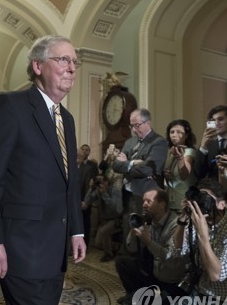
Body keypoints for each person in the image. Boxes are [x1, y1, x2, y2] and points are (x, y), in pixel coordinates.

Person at [0, 35, 86, 305]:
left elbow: (69, 182)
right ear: (37, 65)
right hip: (21, 247)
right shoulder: (10, 106)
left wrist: (76, 230)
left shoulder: (67, 120)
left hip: (55, 251)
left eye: (75, 61)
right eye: (63, 59)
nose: (71, 68)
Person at [153, 179, 227, 305]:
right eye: (199, 198)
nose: (201, 203)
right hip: (197, 296)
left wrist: (203, 235)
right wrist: (183, 219)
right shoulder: (196, 222)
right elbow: (175, 253)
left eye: (206, 198)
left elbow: (216, 274)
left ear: (222, 204)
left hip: (226, 304)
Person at [115, 188, 187, 305]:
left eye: (149, 201)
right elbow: (131, 248)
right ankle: (134, 296)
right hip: (154, 274)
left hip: (172, 282)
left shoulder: (175, 225)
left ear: (162, 204)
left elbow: (170, 258)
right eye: (143, 201)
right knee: (122, 262)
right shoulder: (149, 222)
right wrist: (134, 229)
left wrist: (148, 242)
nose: (144, 205)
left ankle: (137, 300)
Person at [112, 108, 168, 245]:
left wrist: (126, 163)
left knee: (144, 235)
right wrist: (133, 162)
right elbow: (116, 165)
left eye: (137, 125)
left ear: (147, 123)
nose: (134, 129)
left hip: (144, 195)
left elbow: (147, 169)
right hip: (126, 195)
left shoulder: (158, 142)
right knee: (128, 235)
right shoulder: (130, 142)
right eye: (131, 125)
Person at [83, 174, 123, 262]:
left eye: (102, 181)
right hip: (104, 220)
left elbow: (115, 208)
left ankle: (109, 254)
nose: (100, 183)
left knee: (103, 232)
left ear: (107, 181)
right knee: (97, 243)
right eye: (98, 181)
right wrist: (91, 189)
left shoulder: (115, 190)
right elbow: (87, 202)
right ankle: (117, 247)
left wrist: (104, 194)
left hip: (116, 219)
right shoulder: (97, 191)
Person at [163, 119, 198, 213]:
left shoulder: (189, 151)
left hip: (183, 200)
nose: (174, 135)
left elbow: (184, 175)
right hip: (170, 199)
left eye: (179, 132)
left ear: (186, 135)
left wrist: (180, 158)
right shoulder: (170, 152)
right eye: (172, 132)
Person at [194, 105, 227, 180]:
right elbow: (199, 173)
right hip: (214, 188)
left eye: (221, 119)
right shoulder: (208, 143)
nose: (216, 123)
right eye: (213, 120)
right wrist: (203, 147)